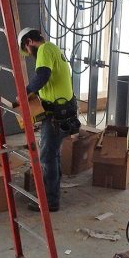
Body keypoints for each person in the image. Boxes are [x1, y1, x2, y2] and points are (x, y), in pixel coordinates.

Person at [18, 27, 79, 213]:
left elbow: (42, 75)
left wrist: (25, 93)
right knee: (53, 155)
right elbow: (49, 79)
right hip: (65, 110)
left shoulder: (44, 49)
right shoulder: (54, 48)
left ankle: (50, 202)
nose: (30, 54)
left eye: (27, 50)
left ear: (29, 42)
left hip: (56, 115)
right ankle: (53, 193)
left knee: (46, 157)